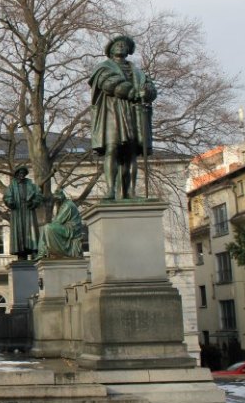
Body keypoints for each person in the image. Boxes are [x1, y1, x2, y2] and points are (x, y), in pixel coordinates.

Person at [89, 35, 157, 200]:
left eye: (124, 45)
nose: (121, 46)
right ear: (111, 50)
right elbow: (108, 84)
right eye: (117, 44)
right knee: (112, 149)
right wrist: (134, 92)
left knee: (131, 154)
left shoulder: (138, 72)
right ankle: (111, 190)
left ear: (129, 50)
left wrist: (147, 91)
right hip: (112, 112)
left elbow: (151, 89)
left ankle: (131, 191)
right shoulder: (103, 68)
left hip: (133, 112)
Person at [3, 166, 42, 260]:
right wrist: (10, 201)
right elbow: (7, 197)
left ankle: (34, 251)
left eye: (23, 173)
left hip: (28, 210)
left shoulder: (31, 185)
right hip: (17, 211)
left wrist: (33, 203)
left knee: (31, 230)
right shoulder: (12, 186)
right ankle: (21, 253)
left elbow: (38, 196)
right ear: (17, 174)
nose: (22, 175)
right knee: (20, 232)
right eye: (20, 173)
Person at [37, 189, 84, 259]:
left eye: (57, 200)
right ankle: (42, 252)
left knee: (48, 227)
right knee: (45, 228)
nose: (56, 202)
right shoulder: (63, 205)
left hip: (72, 230)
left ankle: (43, 252)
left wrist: (52, 223)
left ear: (61, 197)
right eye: (55, 200)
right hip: (66, 227)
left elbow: (58, 221)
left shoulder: (68, 205)